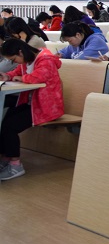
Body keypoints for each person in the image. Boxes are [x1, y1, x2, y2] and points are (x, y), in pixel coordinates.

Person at [0, 39, 64, 181]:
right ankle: (6, 158)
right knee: (4, 121)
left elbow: (38, 77)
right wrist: (8, 76)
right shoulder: (27, 61)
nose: (15, 62)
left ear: (20, 52)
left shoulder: (46, 59)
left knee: (10, 127)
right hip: (32, 104)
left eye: (14, 59)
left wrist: (20, 78)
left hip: (46, 107)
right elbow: (16, 72)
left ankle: (16, 165)